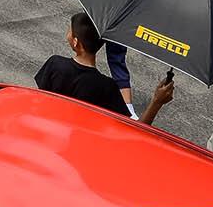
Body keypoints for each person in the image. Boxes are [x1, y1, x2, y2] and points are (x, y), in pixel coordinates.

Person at [36, 12, 175, 124]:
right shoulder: (106, 86)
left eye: (69, 31)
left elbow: (39, 101)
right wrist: (157, 101)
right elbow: (136, 130)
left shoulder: (55, 64)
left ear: (76, 42)